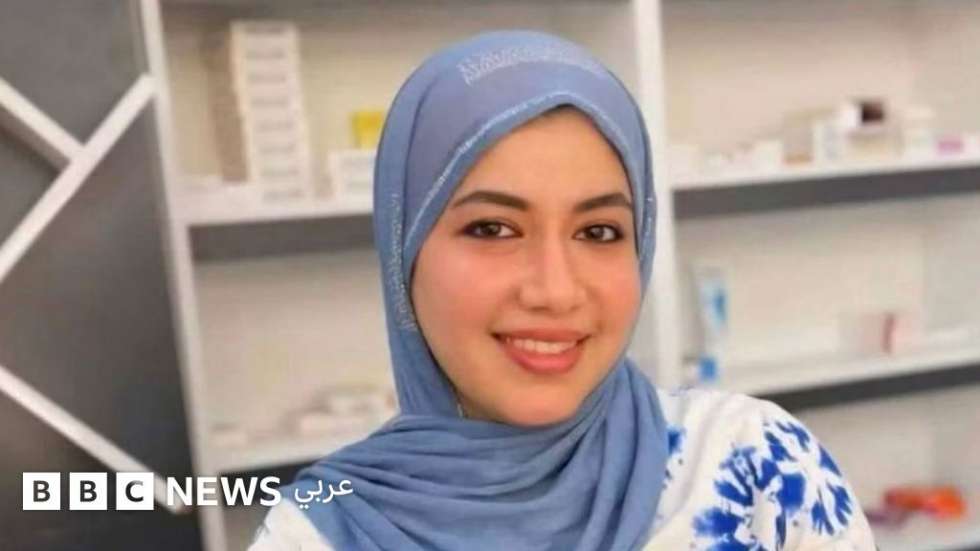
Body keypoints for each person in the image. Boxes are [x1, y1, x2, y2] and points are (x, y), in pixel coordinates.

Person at [249, 30, 876, 550]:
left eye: (598, 231)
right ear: (404, 253)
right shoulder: (320, 528)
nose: (555, 291)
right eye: (493, 228)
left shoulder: (760, 465)